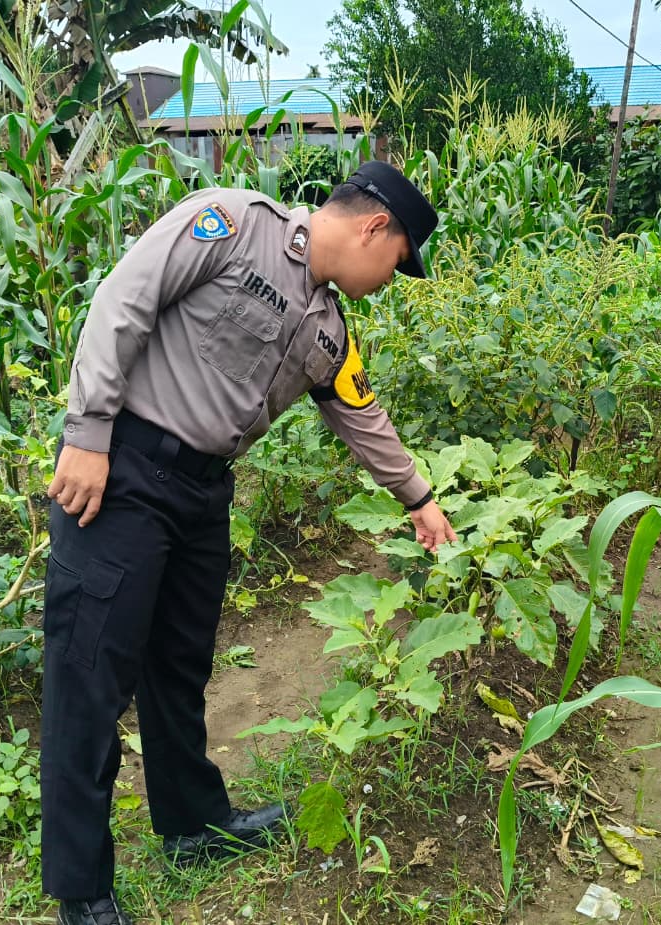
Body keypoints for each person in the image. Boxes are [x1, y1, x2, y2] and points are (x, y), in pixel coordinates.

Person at [41, 160, 457, 925]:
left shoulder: (329, 328)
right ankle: (80, 886)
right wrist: (88, 431)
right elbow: (123, 301)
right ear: (374, 227)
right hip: (124, 471)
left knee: (179, 665)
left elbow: (361, 415)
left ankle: (192, 823)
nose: (390, 282)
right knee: (90, 674)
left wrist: (420, 498)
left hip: (202, 494)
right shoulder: (232, 223)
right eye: (396, 265)